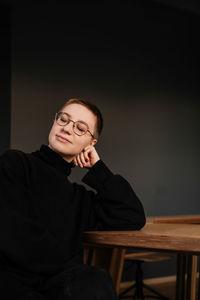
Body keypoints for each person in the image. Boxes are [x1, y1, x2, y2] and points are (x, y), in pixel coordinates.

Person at [0, 98, 146, 299]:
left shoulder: (80, 199)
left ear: (91, 143)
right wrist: (68, 263)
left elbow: (132, 215)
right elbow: (12, 229)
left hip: (58, 284)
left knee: (95, 282)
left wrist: (98, 169)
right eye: (64, 119)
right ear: (54, 121)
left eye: (80, 128)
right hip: (11, 280)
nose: (67, 128)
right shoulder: (15, 163)